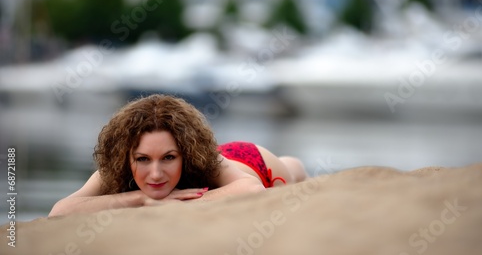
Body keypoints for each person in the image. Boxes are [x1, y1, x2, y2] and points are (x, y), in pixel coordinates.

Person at [49, 94, 308, 216]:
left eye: (169, 157)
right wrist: (140, 198)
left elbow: (252, 189)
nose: (155, 173)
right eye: (142, 159)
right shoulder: (118, 168)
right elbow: (60, 211)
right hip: (229, 170)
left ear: (185, 153)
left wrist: (177, 202)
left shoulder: (205, 159)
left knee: (293, 169)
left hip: (252, 163)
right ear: (127, 157)